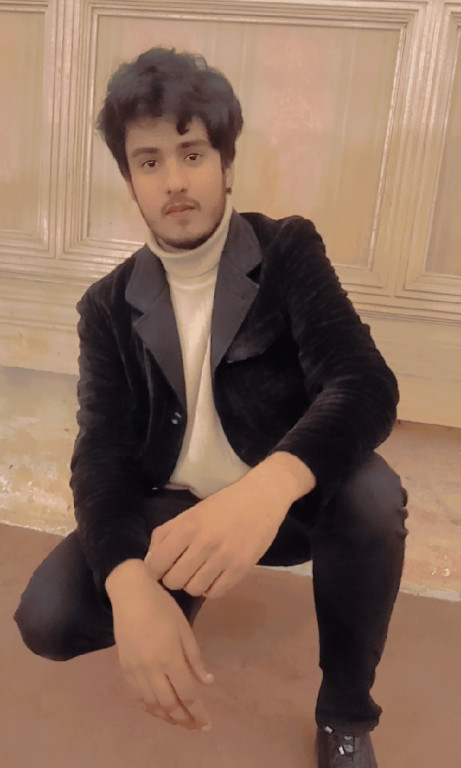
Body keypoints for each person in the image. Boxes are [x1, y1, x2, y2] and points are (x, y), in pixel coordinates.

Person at [14, 47, 408, 768]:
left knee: (372, 496)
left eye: (191, 153)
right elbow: (101, 453)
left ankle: (346, 714)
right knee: (47, 619)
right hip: (176, 510)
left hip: (282, 505)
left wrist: (266, 489)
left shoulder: (286, 249)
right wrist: (129, 584)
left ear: (225, 164)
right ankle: (179, 591)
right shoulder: (106, 305)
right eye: (149, 162)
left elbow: (363, 382)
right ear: (130, 181)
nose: (174, 181)